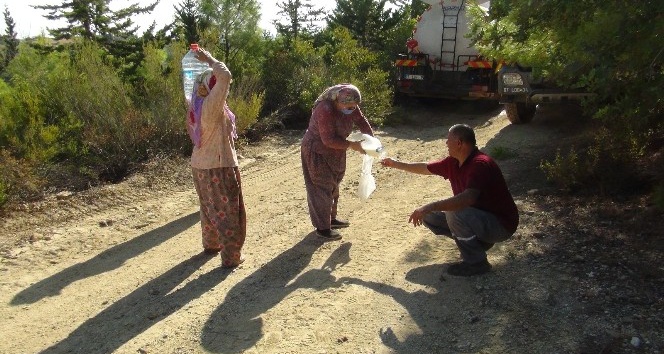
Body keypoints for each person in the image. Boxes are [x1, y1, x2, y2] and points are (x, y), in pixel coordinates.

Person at [380, 124, 519, 277]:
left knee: (454, 212)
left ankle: (477, 263)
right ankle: (477, 244)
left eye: (448, 140)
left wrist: (430, 206)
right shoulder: (453, 162)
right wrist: (395, 163)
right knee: (428, 216)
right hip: (480, 220)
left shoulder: (480, 164)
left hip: (500, 226)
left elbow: (467, 198)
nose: (446, 143)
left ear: (459, 143)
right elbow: (425, 168)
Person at [187, 47, 245, 268]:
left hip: (200, 164)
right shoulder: (211, 106)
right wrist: (210, 59)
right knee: (228, 212)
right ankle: (231, 257)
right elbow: (226, 76)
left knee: (209, 207)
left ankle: (211, 244)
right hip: (217, 165)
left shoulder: (196, 105)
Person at [301, 84, 374, 240]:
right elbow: (327, 140)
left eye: (354, 107)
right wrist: (353, 145)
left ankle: (330, 220)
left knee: (334, 184)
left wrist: (372, 140)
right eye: (348, 106)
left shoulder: (351, 105)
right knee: (321, 187)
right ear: (338, 101)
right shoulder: (325, 109)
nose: (351, 109)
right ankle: (322, 228)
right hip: (317, 151)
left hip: (337, 150)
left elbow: (361, 121)